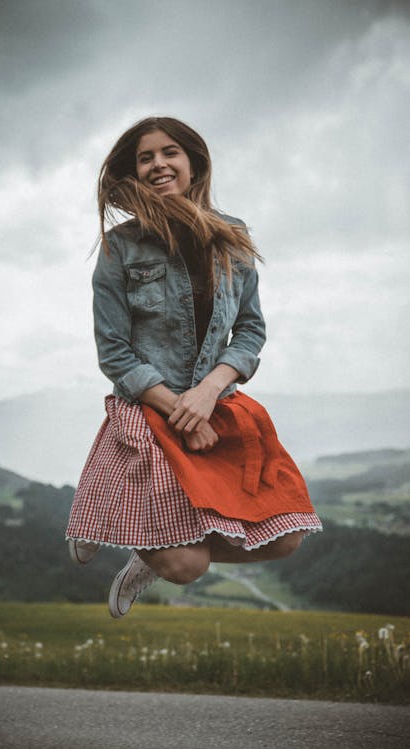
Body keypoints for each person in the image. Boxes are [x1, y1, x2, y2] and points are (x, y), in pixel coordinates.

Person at [66, 116, 322, 618]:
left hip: (217, 404)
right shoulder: (121, 246)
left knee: (286, 537)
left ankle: (146, 547)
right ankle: (151, 550)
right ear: (135, 173)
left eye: (170, 152)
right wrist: (180, 408)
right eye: (146, 157)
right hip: (149, 406)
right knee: (188, 566)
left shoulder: (233, 236)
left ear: (193, 163)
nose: (159, 163)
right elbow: (114, 351)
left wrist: (209, 392)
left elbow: (250, 330)